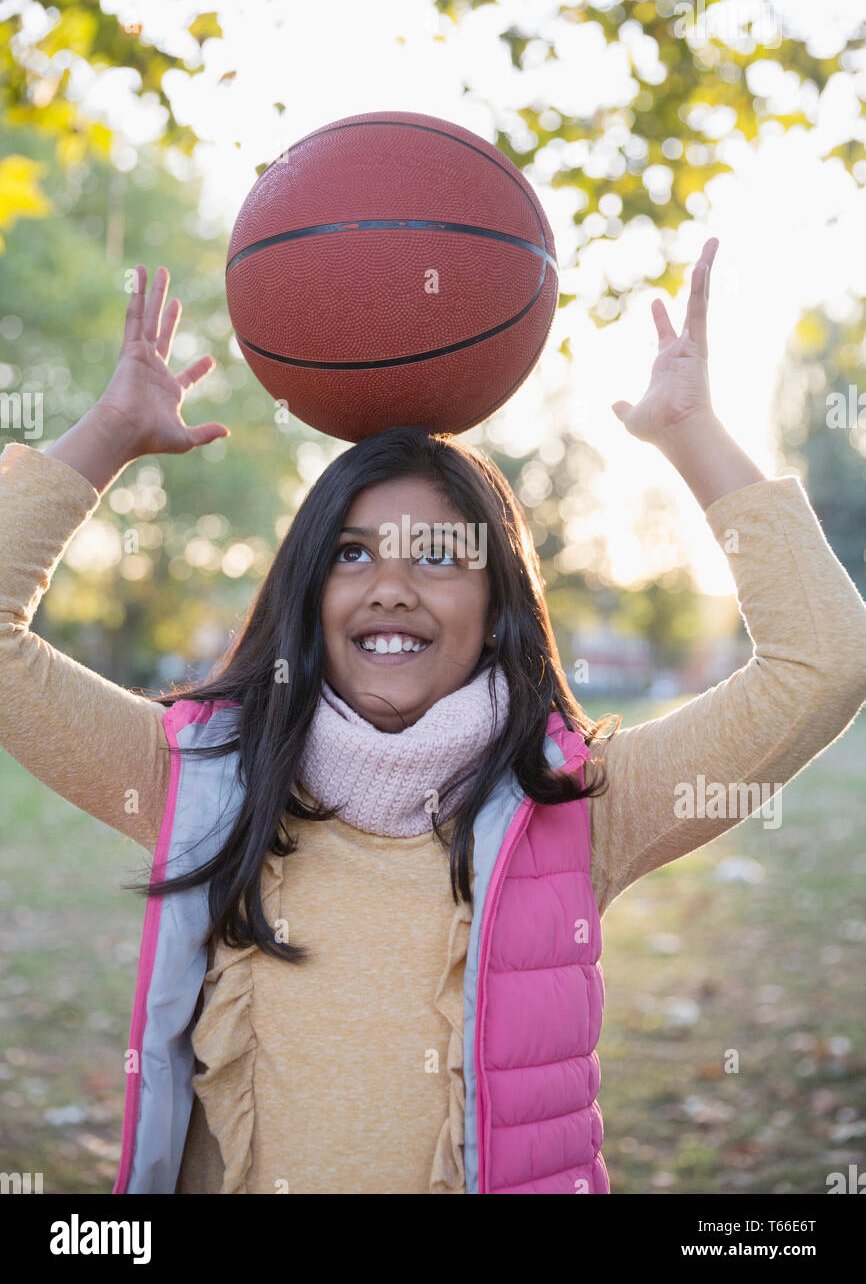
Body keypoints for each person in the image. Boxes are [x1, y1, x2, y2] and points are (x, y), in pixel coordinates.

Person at [1, 244, 864, 1193]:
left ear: (498, 608)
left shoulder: (579, 809)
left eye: (440, 557)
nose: (393, 588)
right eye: (354, 553)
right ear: (305, 590)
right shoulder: (200, 780)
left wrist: (694, 433)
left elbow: (823, 660)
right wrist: (107, 435)